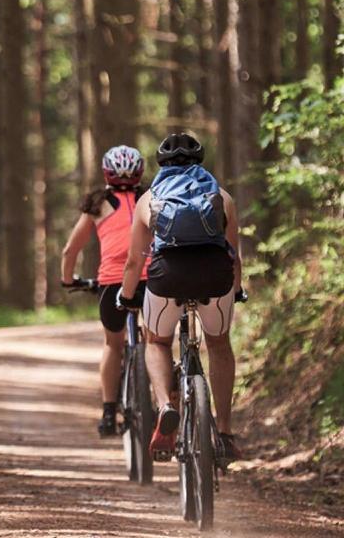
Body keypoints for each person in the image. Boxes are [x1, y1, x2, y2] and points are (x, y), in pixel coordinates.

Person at [117, 133, 243, 461]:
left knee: (157, 341)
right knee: (219, 344)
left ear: (162, 164)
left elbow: (133, 262)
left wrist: (127, 296)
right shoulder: (222, 197)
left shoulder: (148, 199)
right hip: (215, 276)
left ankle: (165, 406)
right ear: (200, 161)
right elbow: (233, 256)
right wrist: (237, 290)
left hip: (167, 277)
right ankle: (225, 433)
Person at [61, 145, 148, 438]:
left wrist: (68, 280)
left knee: (113, 344)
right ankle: (167, 401)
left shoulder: (97, 204)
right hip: (151, 279)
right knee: (158, 342)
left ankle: (109, 412)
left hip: (113, 283)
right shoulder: (150, 198)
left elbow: (70, 250)